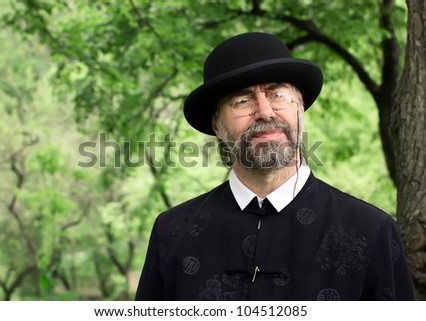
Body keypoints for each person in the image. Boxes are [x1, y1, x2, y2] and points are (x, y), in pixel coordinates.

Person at [135, 32, 415, 300]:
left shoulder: (372, 231)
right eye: (242, 101)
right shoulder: (172, 233)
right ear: (216, 125)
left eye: (277, 95)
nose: (265, 112)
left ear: (300, 106)